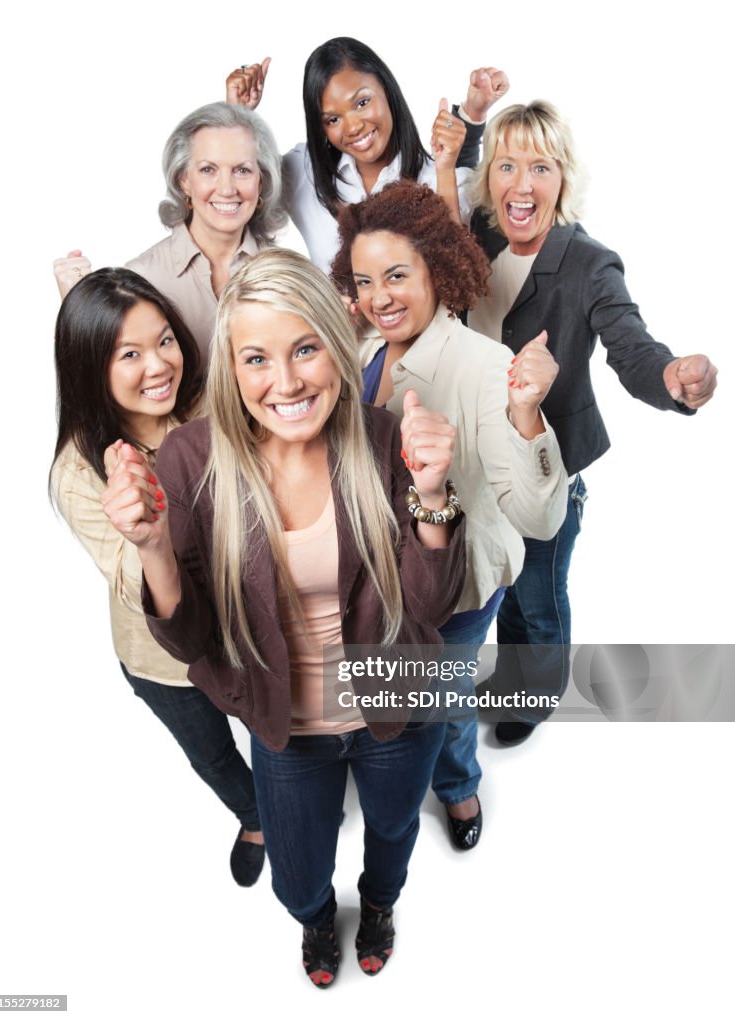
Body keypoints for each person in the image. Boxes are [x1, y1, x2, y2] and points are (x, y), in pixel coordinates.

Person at [101, 248, 467, 987]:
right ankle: (315, 922)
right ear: (231, 370)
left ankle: (378, 905)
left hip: (395, 709)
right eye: (257, 358)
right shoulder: (191, 459)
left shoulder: (380, 438)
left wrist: (430, 493)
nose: (287, 381)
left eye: (304, 349)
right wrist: (152, 550)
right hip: (284, 728)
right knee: (297, 874)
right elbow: (192, 636)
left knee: (392, 833)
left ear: (335, 345)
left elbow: (428, 606)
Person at [467, 101, 719, 744]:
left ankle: (537, 692)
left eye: (541, 168)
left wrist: (671, 380)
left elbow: (630, 346)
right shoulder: (479, 234)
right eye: (507, 166)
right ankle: (512, 675)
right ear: (490, 176)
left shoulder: (588, 261)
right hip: (485, 459)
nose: (522, 185)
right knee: (501, 584)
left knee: (539, 598)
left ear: (563, 178)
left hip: (550, 465)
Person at [331, 180, 567, 849]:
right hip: (381, 577)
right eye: (365, 279)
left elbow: (538, 517)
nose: (380, 296)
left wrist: (525, 416)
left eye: (398, 275)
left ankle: (457, 788)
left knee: (445, 698)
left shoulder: (484, 366)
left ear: (435, 267)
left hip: (455, 588)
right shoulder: (361, 352)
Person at [49, 268, 265, 887]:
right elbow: (127, 579)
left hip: (247, 631)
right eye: (129, 354)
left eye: (164, 340)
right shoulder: (77, 470)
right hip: (163, 662)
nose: (158, 365)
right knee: (213, 754)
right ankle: (254, 819)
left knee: (279, 733)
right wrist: (145, 532)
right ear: (92, 367)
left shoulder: (204, 403)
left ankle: (295, 798)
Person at [225, 39, 510, 270]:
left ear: (386, 90)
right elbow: (238, 188)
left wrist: (450, 160)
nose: (353, 127)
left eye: (362, 102)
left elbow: (457, 272)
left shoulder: (437, 178)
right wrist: (238, 113)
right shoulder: (305, 171)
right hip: (334, 339)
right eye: (332, 120)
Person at [53, 103, 287, 358]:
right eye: (208, 169)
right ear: (183, 180)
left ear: (261, 180)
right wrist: (78, 307)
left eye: (242, 170)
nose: (227, 188)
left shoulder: (287, 274)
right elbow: (106, 376)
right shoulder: (141, 278)